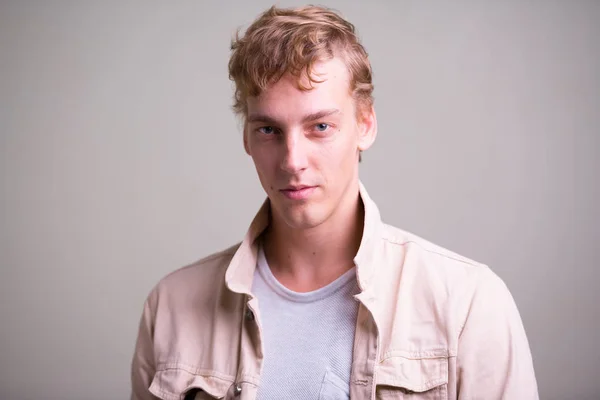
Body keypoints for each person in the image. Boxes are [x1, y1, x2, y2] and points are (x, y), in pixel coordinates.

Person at [130, 5, 538, 399]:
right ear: (246, 140)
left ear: (365, 125)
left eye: (320, 126)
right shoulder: (171, 306)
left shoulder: (467, 303)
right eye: (269, 129)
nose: (292, 161)